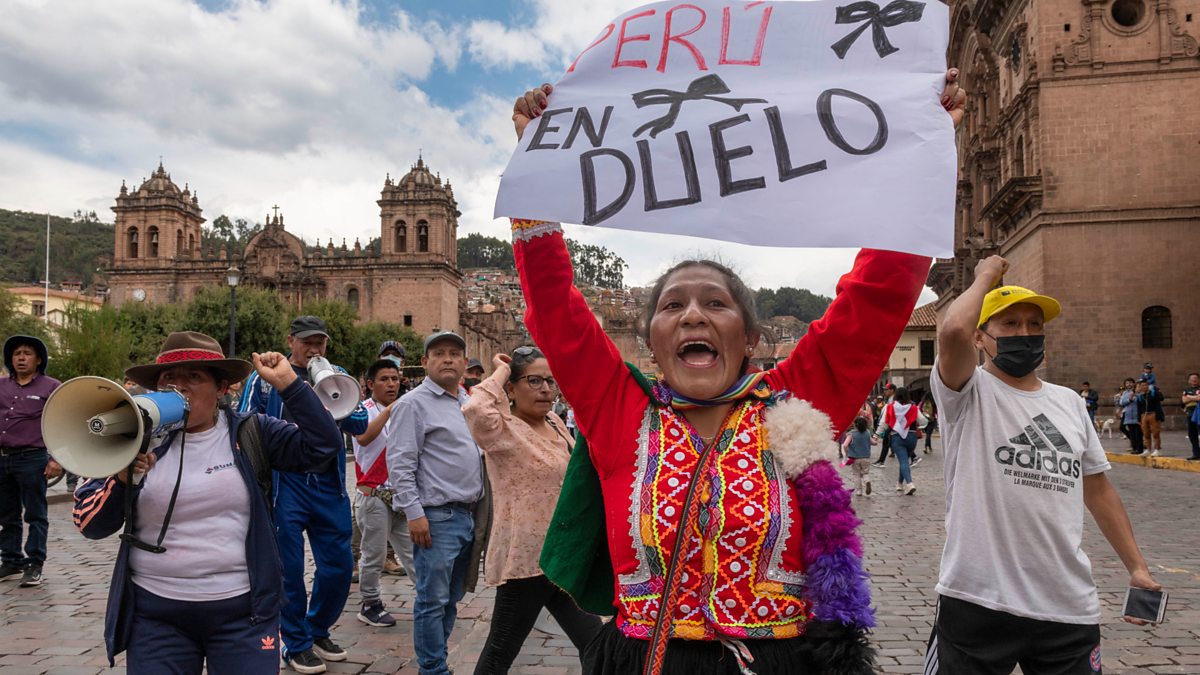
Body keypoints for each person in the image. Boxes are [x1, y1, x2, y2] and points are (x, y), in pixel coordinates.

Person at [506, 68, 965, 674]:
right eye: (673, 306)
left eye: (715, 303)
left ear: (750, 339)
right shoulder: (621, 413)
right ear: (652, 341)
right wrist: (536, 163)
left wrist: (924, 149)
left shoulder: (797, 400)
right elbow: (556, 309)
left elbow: (877, 297)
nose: (693, 313)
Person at [925, 258, 1161, 675]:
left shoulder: (1069, 403)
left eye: (1035, 325)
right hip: (977, 600)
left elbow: (1099, 491)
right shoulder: (966, 392)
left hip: (1067, 606)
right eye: (1010, 324)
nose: (1025, 334)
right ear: (981, 338)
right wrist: (984, 276)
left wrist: (1137, 567)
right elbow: (953, 330)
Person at [72, 331, 343, 674]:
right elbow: (90, 524)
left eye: (194, 376)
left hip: (243, 614)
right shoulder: (131, 439)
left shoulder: (253, 432)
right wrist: (123, 479)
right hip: (156, 617)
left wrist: (290, 385)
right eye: (168, 377)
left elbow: (323, 446)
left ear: (222, 389)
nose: (179, 386)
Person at [239, 316, 368, 674]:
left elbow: (359, 424)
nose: (314, 349)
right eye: (307, 342)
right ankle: (295, 642)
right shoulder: (264, 377)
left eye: (320, 343)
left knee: (339, 565)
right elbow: (246, 424)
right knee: (290, 570)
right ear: (290, 341)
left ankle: (317, 628)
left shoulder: (337, 372)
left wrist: (329, 404)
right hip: (286, 485)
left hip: (327, 484)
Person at [463, 347, 603, 674]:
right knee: (499, 653)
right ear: (511, 389)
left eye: (550, 382)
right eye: (534, 380)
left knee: (595, 643)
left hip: (558, 558)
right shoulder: (502, 430)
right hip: (525, 563)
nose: (545, 390)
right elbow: (475, 407)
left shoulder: (554, 422)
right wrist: (501, 369)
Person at [387, 330, 484, 675]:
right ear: (425, 362)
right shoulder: (412, 404)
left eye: (454, 354)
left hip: (467, 517)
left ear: (464, 363)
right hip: (436, 518)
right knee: (431, 600)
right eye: (439, 353)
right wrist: (414, 513)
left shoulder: (466, 401)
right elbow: (400, 462)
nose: (447, 359)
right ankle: (433, 668)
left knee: (451, 598)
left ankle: (437, 657)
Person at [352, 358, 417, 628]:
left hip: (401, 494)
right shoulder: (361, 410)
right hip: (373, 494)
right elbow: (363, 437)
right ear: (370, 384)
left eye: (394, 379)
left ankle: (430, 597)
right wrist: (391, 409)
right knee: (374, 554)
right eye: (384, 379)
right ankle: (369, 603)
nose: (391, 384)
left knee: (413, 551)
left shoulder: (405, 409)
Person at [0, 335, 61, 587]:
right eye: (16, 354)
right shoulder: (1, 386)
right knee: (6, 515)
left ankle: (34, 563)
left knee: (36, 514)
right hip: (3, 459)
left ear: (38, 360)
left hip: (33, 458)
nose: (21, 358)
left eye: (27, 353)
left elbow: (63, 424)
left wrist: (57, 458)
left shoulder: (52, 387)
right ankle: (11, 560)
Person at [876, 386, 927, 495]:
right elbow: (923, 421)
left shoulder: (890, 407)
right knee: (905, 461)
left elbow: (884, 423)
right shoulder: (913, 407)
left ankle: (909, 483)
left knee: (903, 461)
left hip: (897, 437)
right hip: (912, 437)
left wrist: (876, 435)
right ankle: (899, 484)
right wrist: (918, 425)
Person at [841, 416, 878, 496]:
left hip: (855, 458)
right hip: (866, 457)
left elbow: (845, 445)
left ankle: (859, 491)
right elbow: (874, 443)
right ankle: (867, 480)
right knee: (865, 473)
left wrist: (846, 453)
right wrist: (876, 440)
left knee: (856, 474)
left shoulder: (851, 434)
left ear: (855, 424)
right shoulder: (867, 433)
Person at [1116, 378, 1144, 455]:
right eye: (1127, 383)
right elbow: (1122, 402)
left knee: (1138, 432)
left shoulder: (1138, 392)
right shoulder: (1125, 393)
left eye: (1130, 383)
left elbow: (1141, 401)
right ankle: (1134, 448)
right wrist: (1129, 399)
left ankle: (1139, 449)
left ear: (1134, 384)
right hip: (1128, 415)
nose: (1129, 384)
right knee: (1132, 432)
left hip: (1136, 414)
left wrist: (1136, 395)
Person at [1138, 380, 1164, 456]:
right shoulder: (1140, 396)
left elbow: (1161, 399)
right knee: (1146, 433)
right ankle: (1148, 449)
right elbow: (1139, 408)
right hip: (1144, 415)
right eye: (1142, 385)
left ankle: (1157, 449)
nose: (1144, 387)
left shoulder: (1153, 394)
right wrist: (1139, 418)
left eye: (1145, 385)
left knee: (1155, 433)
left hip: (1153, 414)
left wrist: (1156, 391)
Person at [873, 383, 897, 466]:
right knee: (887, 442)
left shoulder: (893, 400)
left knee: (890, 442)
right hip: (891, 425)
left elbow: (886, 416)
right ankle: (881, 460)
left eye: (886, 390)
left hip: (892, 425)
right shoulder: (889, 400)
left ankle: (913, 456)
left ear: (892, 390)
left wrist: (877, 434)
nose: (885, 392)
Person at [1183, 372, 1200, 461]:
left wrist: (1190, 397)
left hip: (1199, 414)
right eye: (1192, 379)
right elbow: (1184, 400)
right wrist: (1194, 397)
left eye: (1196, 378)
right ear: (1189, 381)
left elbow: (1199, 398)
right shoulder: (1186, 389)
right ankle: (1196, 453)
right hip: (1190, 414)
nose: (1194, 380)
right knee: (1192, 435)